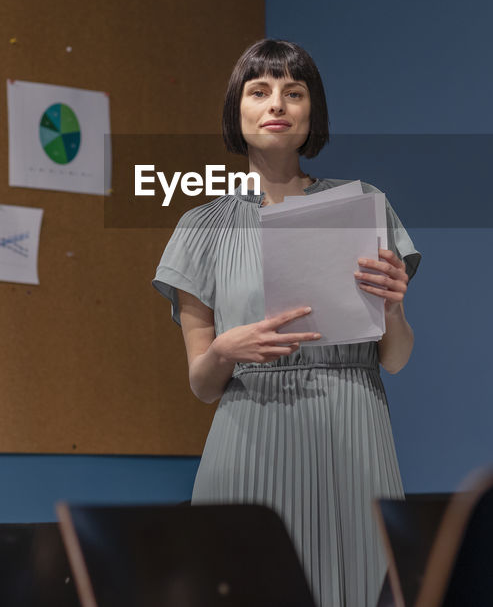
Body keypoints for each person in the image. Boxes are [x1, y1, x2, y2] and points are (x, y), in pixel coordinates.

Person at [152, 38, 421, 607]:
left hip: (354, 427)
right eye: (260, 90)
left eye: (293, 92)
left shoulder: (363, 204)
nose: (277, 103)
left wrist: (393, 307)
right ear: (238, 111)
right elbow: (202, 385)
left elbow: (395, 359)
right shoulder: (201, 227)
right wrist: (226, 349)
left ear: (311, 112)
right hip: (250, 433)